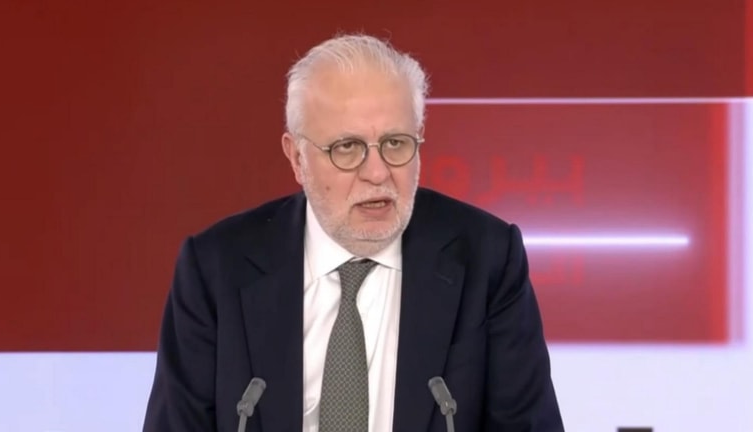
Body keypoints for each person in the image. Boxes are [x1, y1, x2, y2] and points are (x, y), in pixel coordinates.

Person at [143, 33, 564, 432]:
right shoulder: (216, 269)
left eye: (396, 143)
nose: (378, 173)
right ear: (297, 157)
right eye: (347, 147)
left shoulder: (487, 260)